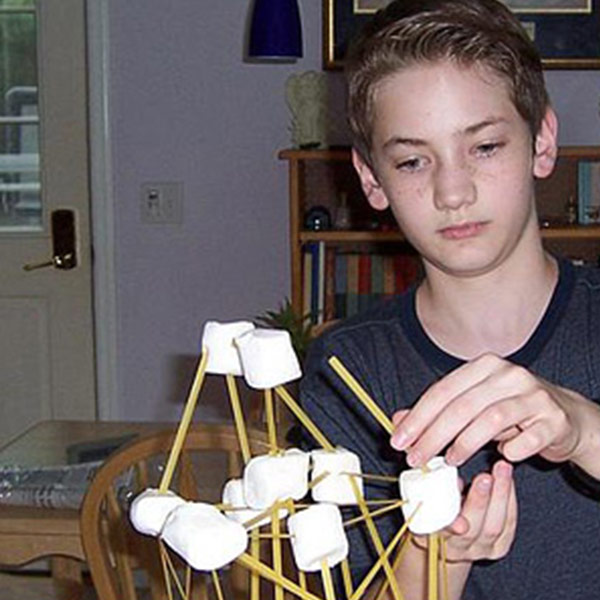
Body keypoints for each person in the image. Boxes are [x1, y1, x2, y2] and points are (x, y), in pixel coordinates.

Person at [299, 0, 600, 598]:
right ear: (371, 181)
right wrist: (433, 553)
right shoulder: (347, 374)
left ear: (541, 141)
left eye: (484, 147)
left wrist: (583, 430)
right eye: (413, 160)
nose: (452, 191)